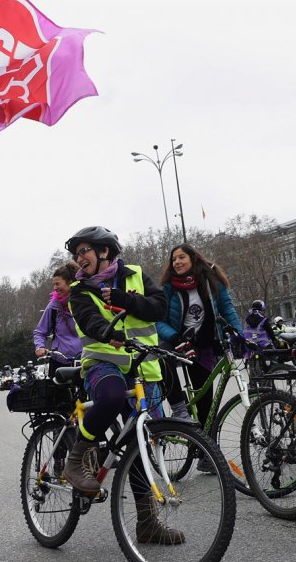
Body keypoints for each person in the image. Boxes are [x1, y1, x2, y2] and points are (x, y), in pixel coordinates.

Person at [65, 226, 183, 544]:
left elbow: (159, 308)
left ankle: (146, 524)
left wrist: (125, 301)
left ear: (104, 251)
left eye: (84, 251)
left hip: (143, 366)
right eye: (76, 255)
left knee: (140, 442)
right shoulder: (78, 291)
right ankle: (77, 457)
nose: (79, 259)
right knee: (112, 397)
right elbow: (91, 321)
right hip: (104, 364)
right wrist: (113, 334)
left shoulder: (135, 275)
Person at [155, 244, 241, 472]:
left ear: (193, 258)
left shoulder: (212, 280)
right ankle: (179, 408)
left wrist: (239, 335)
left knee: (206, 401)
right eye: (173, 259)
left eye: (181, 257)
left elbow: (227, 309)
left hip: (203, 343)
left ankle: (206, 454)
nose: (177, 262)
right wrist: (174, 337)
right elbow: (159, 320)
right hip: (175, 339)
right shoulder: (167, 287)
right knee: (163, 360)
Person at [33, 263, 83, 377]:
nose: (55, 288)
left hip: (86, 360)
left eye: (57, 284)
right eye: (53, 284)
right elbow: (40, 332)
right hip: (60, 362)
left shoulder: (85, 302)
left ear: (70, 282)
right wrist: (40, 347)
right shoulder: (53, 307)